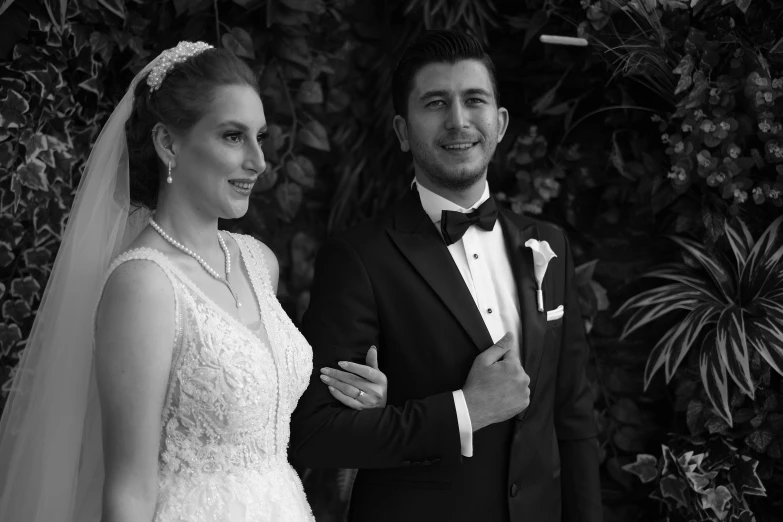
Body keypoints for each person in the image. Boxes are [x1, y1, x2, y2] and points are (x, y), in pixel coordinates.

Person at [0, 42, 386, 522]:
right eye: (232, 136)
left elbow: (264, 421)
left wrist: (358, 400)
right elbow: (129, 491)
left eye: (260, 137)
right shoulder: (143, 285)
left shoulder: (259, 262)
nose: (259, 161)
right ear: (168, 143)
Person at [290, 30, 602, 522]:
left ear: (499, 123)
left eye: (473, 100)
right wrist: (464, 411)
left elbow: (573, 415)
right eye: (435, 103)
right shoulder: (358, 258)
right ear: (401, 130)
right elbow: (314, 434)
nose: (458, 120)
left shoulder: (550, 245)